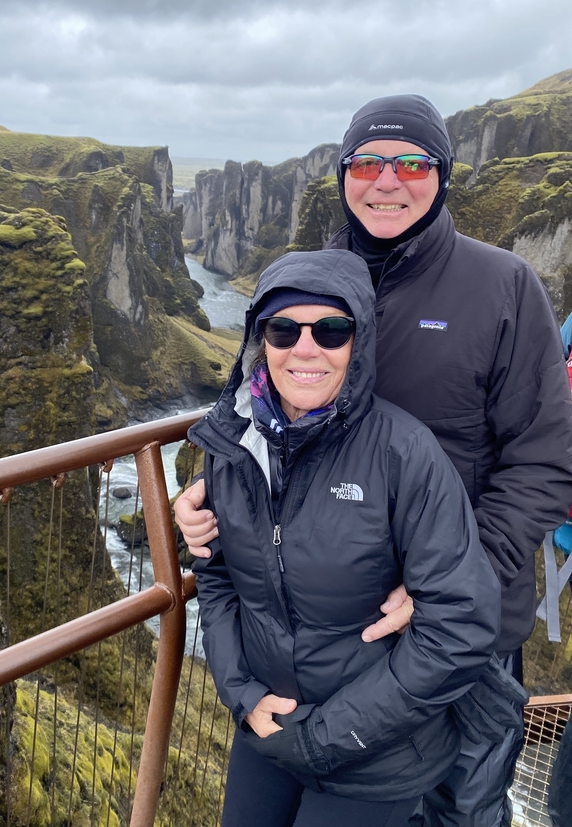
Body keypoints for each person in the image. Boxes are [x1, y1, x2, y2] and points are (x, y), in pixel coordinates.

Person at [177, 94, 572, 826]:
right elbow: (257, 406)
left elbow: (547, 459)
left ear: (444, 174)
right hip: (318, 619)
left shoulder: (503, 287)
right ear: (343, 174)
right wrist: (206, 495)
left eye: (412, 162)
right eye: (366, 162)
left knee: (458, 808)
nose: (387, 181)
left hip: (457, 632)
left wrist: (452, 579)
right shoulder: (311, 282)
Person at [190, 247, 504, 827]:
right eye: (283, 330)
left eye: (330, 330)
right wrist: (241, 695)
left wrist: (326, 737)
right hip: (268, 728)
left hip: (374, 752)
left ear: (358, 345)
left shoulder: (403, 454)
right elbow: (216, 581)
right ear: (259, 342)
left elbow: (461, 623)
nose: (304, 349)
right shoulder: (234, 448)